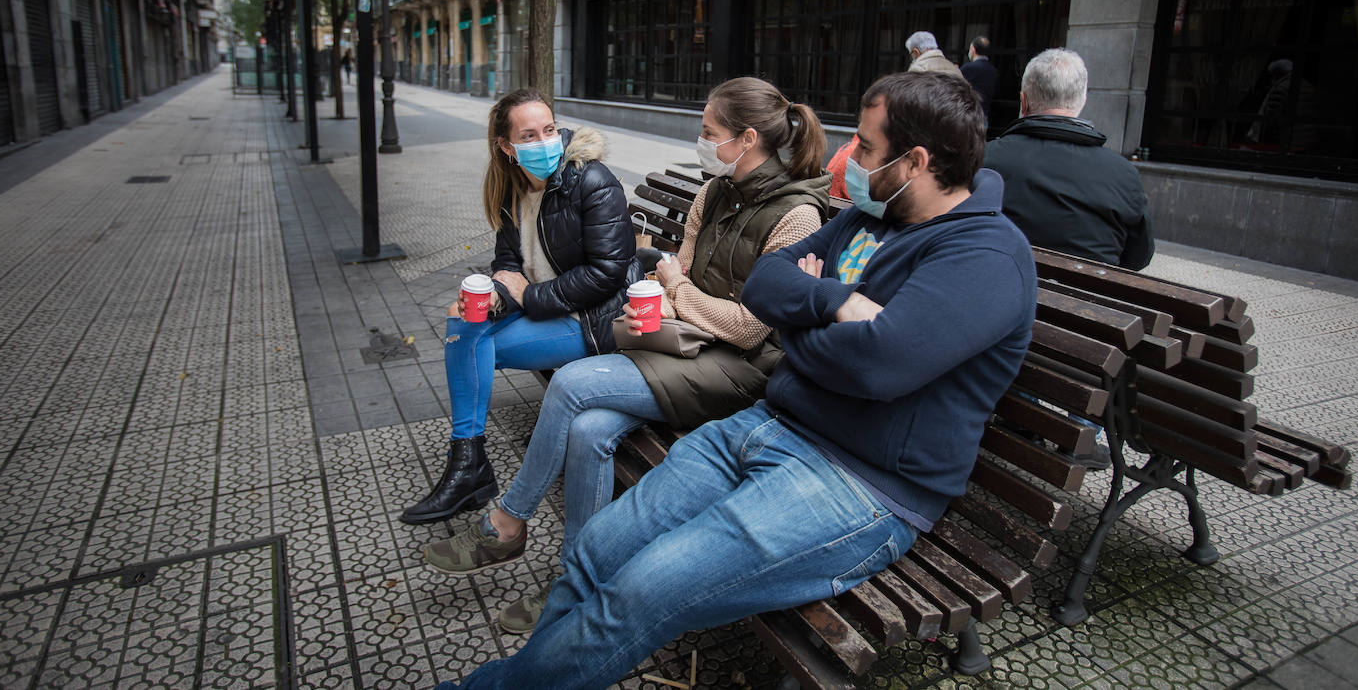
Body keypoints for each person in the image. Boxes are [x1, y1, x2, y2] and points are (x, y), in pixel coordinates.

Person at [430, 70, 1037, 690]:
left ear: (916, 161)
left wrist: (801, 322)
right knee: (598, 551)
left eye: (866, 145)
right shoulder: (866, 218)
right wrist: (833, 303)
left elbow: (874, 366)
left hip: (859, 483)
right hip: (766, 426)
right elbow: (770, 285)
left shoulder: (983, 256)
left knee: (641, 589)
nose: (849, 158)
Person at [422, 77, 831, 634]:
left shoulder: (798, 217)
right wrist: (669, 295)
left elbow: (746, 329)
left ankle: (507, 522)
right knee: (589, 429)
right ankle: (575, 583)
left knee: (572, 386)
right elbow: (673, 275)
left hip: (742, 371)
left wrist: (677, 294)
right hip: (680, 341)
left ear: (747, 138)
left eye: (708, 131)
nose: (701, 140)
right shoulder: (712, 193)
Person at [401, 87, 639, 526]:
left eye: (548, 129)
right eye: (528, 136)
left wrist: (524, 295)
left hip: (593, 320)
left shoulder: (591, 180)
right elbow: (509, 262)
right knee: (464, 324)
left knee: (468, 342)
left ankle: (469, 467)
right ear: (506, 147)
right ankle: (468, 459)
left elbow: (607, 274)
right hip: (548, 308)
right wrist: (495, 293)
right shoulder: (513, 188)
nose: (544, 141)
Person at [983, 48, 1155, 271]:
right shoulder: (1123, 173)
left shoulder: (985, 158)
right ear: (1082, 102)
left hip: (1003, 297)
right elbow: (1138, 257)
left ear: (1023, 102)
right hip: (1085, 301)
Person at [960, 35, 998, 106]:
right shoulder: (993, 70)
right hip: (985, 112)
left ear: (973, 49)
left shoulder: (968, 68)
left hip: (969, 111)